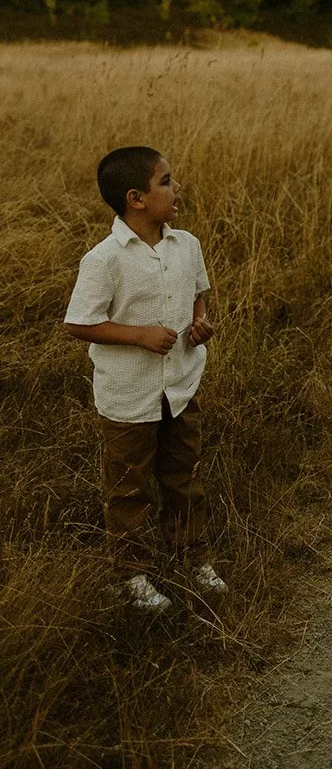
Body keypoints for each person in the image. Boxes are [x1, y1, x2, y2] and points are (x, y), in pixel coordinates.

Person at [64, 146, 226, 611]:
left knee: (183, 477)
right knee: (129, 487)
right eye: (167, 182)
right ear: (136, 197)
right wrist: (137, 335)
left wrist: (201, 324)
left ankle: (194, 557)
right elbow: (78, 323)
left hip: (180, 385)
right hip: (129, 395)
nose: (178, 189)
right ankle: (130, 575)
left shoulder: (186, 245)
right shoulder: (105, 259)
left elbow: (198, 294)